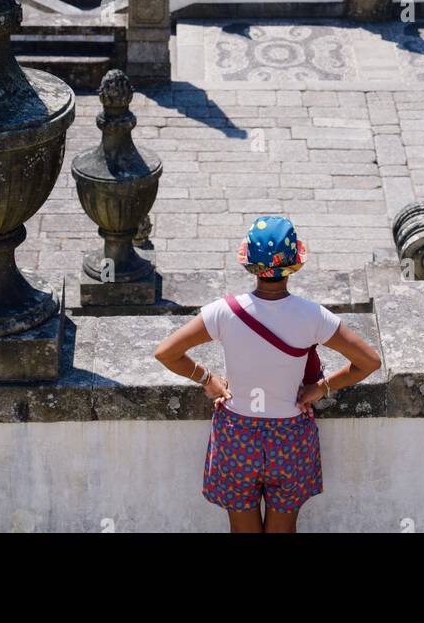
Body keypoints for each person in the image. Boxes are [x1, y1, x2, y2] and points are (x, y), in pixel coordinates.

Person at [154, 216, 382, 534]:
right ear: (293, 264)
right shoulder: (312, 316)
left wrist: (208, 379)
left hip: (236, 435)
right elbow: (369, 361)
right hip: (289, 437)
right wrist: (322, 387)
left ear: (249, 264)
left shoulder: (223, 312)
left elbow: (166, 353)